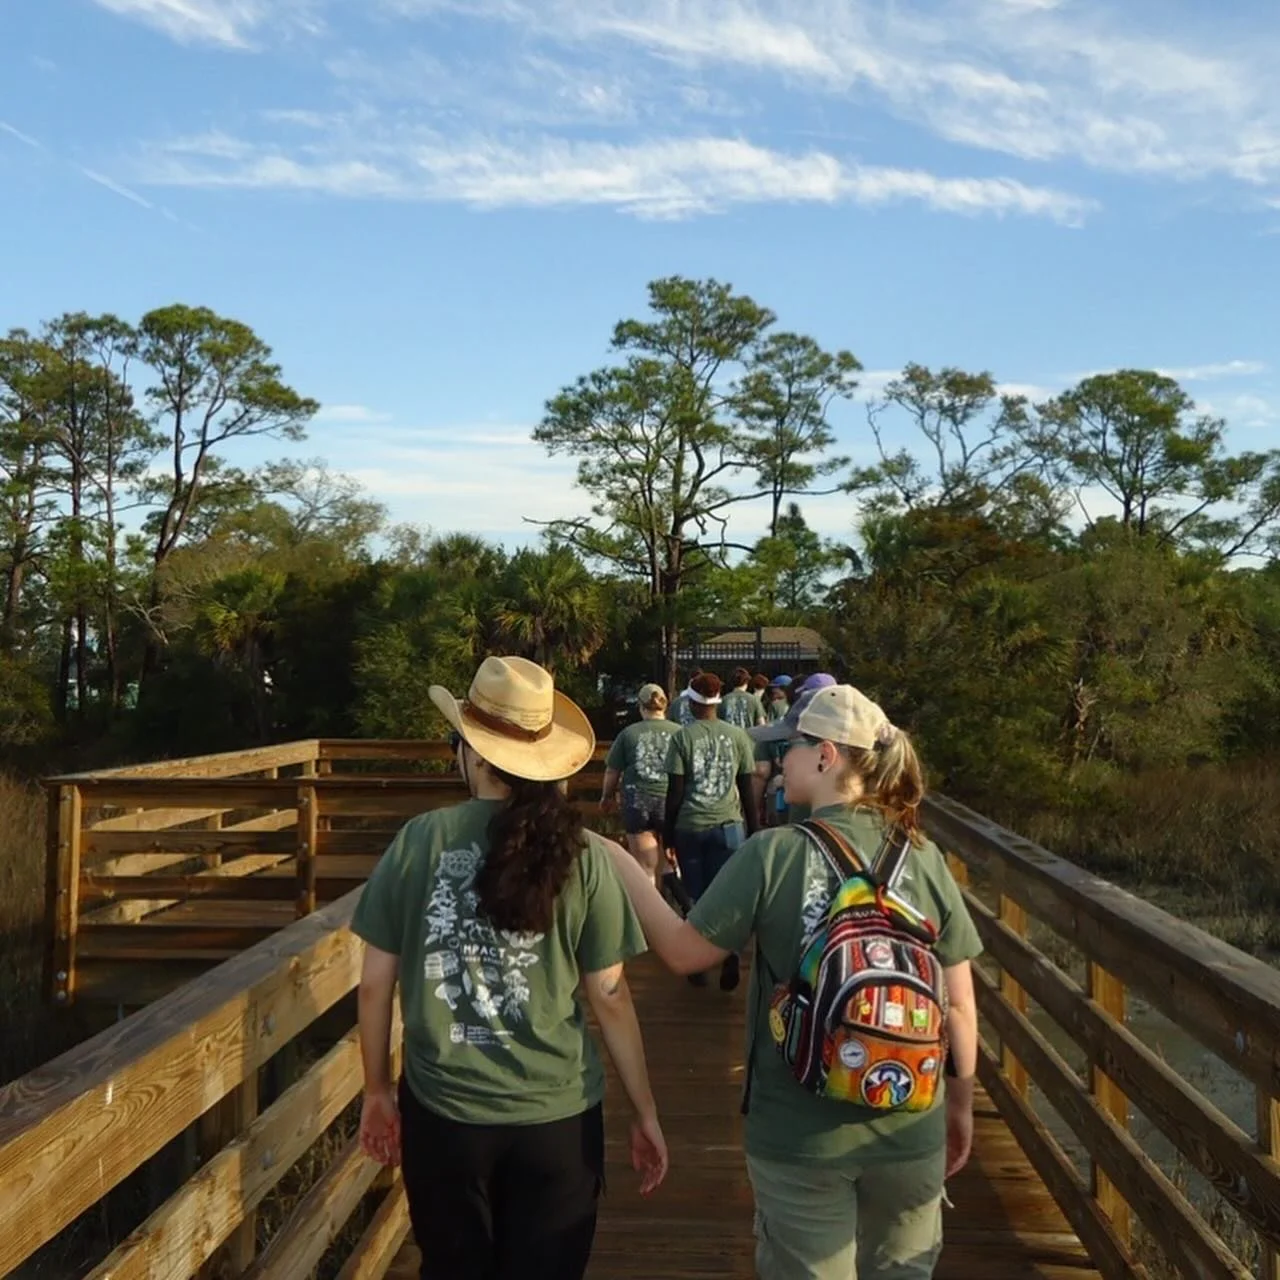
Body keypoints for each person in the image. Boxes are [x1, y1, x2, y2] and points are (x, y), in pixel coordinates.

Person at [607, 684, 982, 1280]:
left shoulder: (773, 853)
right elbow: (959, 1009)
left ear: (827, 756)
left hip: (799, 1136)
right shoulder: (923, 856)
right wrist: (957, 1110)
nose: (777, 761)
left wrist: (622, 864)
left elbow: (682, 954)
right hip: (912, 1120)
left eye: (791, 748)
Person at [352, 655, 669, 1280]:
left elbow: (372, 986)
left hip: (444, 1115)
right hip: (556, 1119)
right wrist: (646, 1113)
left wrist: (376, 1090)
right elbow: (609, 996)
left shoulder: (420, 840)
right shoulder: (582, 853)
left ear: (470, 750)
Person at [663, 671, 759, 990]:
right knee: (729, 895)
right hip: (731, 826)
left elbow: (674, 794)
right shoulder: (738, 737)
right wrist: (755, 832)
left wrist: (667, 836)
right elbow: (747, 790)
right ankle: (730, 954)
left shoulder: (681, 738)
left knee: (696, 897)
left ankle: (697, 961)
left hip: (690, 826)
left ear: (691, 702)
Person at [601, 682, 681, 885]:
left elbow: (612, 770)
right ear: (665, 704)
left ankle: (648, 912)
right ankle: (677, 910)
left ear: (640, 705)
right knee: (671, 861)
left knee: (645, 866)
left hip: (637, 799)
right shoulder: (679, 733)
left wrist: (607, 796)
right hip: (670, 800)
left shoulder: (629, 733)